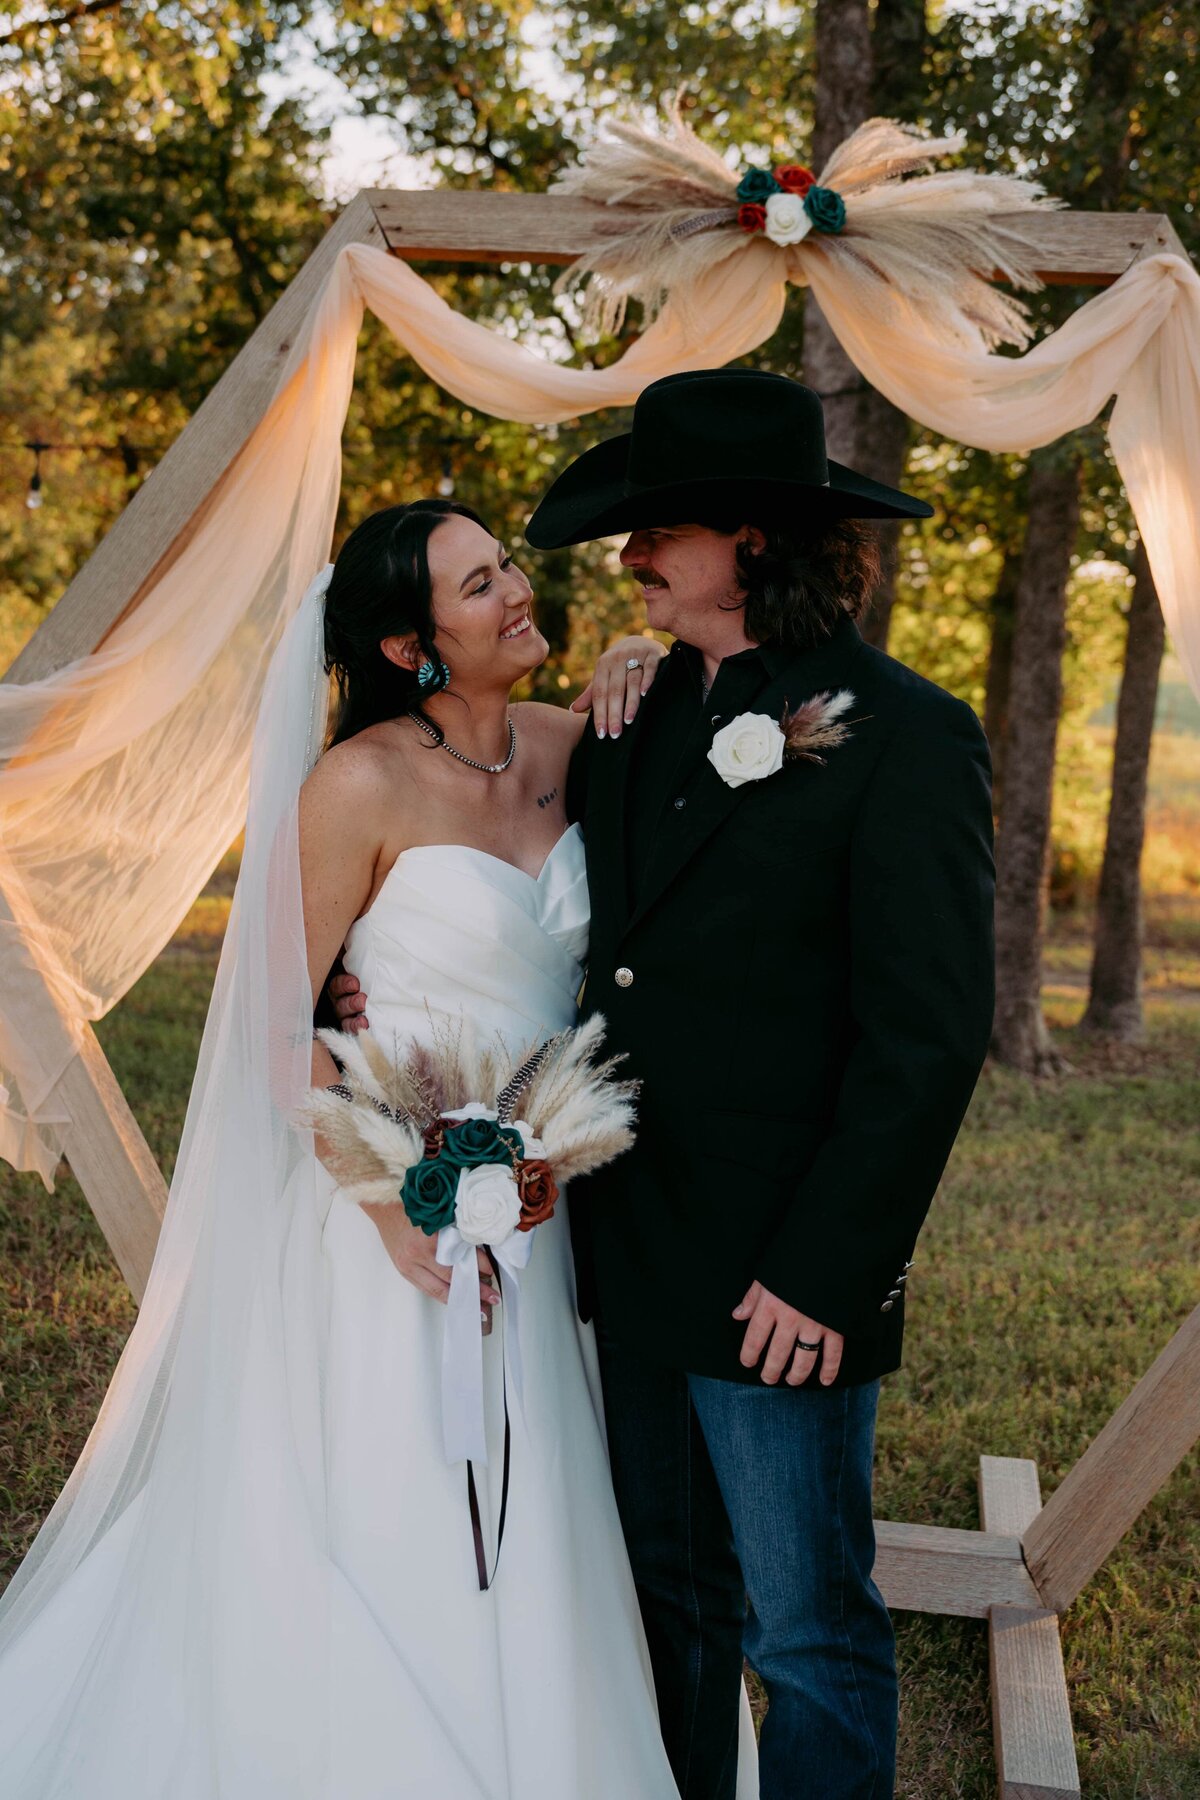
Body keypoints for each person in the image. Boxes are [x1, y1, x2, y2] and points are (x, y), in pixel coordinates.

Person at [0, 498, 731, 1798]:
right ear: (411, 646)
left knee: (547, 1502)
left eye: (505, 564)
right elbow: (280, 1026)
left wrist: (643, 656)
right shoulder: (357, 786)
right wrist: (396, 1199)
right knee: (402, 1500)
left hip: (549, 1201)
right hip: (393, 1210)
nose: (516, 590)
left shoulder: (574, 743)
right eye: (479, 584)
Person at [335, 370, 997, 1800]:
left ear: (750, 541)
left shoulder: (909, 735)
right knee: (669, 1606)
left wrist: (828, 1274)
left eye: (658, 532)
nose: (628, 556)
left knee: (809, 1631)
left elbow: (929, 1037)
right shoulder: (627, 721)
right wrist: (357, 998)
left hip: (780, 1279)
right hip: (626, 1253)